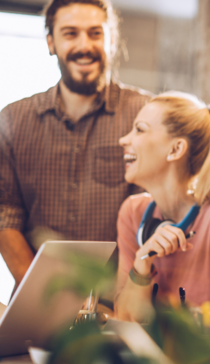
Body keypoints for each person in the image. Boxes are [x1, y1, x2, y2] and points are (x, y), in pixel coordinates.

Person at [0, 0, 150, 288]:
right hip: (39, 299)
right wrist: (41, 292)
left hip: (120, 299)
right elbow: (5, 216)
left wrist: (123, 298)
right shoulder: (13, 120)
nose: (84, 45)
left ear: (112, 40)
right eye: (70, 33)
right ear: (50, 42)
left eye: (95, 33)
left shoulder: (145, 116)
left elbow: (154, 214)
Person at [115, 91, 210, 321]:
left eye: (139, 129)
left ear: (175, 149)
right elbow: (124, 321)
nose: (123, 140)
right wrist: (142, 264)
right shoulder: (132, 213)